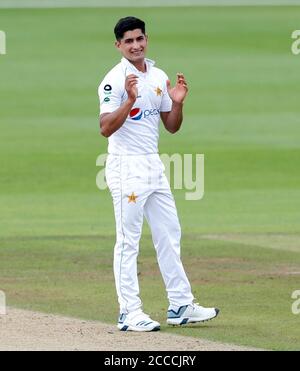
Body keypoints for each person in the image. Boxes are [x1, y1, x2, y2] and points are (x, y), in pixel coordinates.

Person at [98, 16, 219, 332]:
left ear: (146, 39)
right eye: (129, 41)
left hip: (153, 165)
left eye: (140, 39)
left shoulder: (158, 75)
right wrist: (129, 101)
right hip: (127, 167)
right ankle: (129, 311)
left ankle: (180, 305)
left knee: (169, 233)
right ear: (118, 45)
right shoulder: (114, 80)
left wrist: (177, 104)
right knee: (128, 241)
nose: (136, 45)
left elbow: (171, 126)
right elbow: (105, 128)